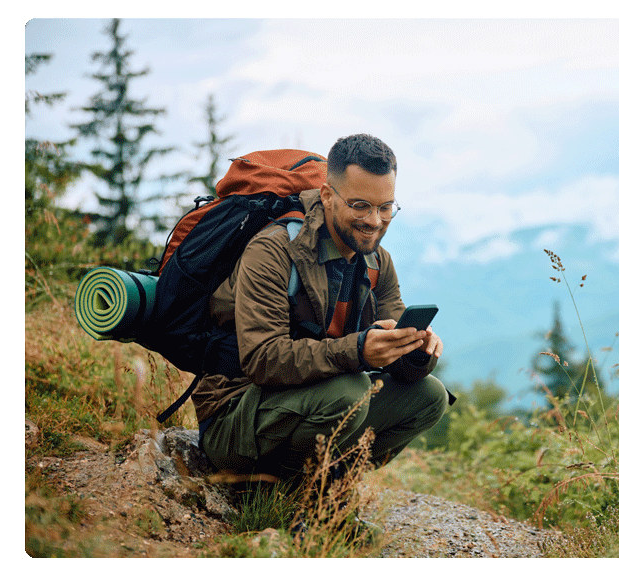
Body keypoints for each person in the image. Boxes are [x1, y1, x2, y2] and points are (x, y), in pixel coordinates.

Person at [191, 134, 452, 491]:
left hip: (315, 404)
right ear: (328, 196)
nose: (375, 221)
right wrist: (358, 350)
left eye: (386, 207)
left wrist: (417, 350)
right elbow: (263, 359)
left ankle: (325, 488)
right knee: (350, 390)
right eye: (360, 205)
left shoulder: (377, 261)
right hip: (235, 418)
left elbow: (400, 362)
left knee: (429, 396)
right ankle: (275, 494)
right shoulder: (273, 251)